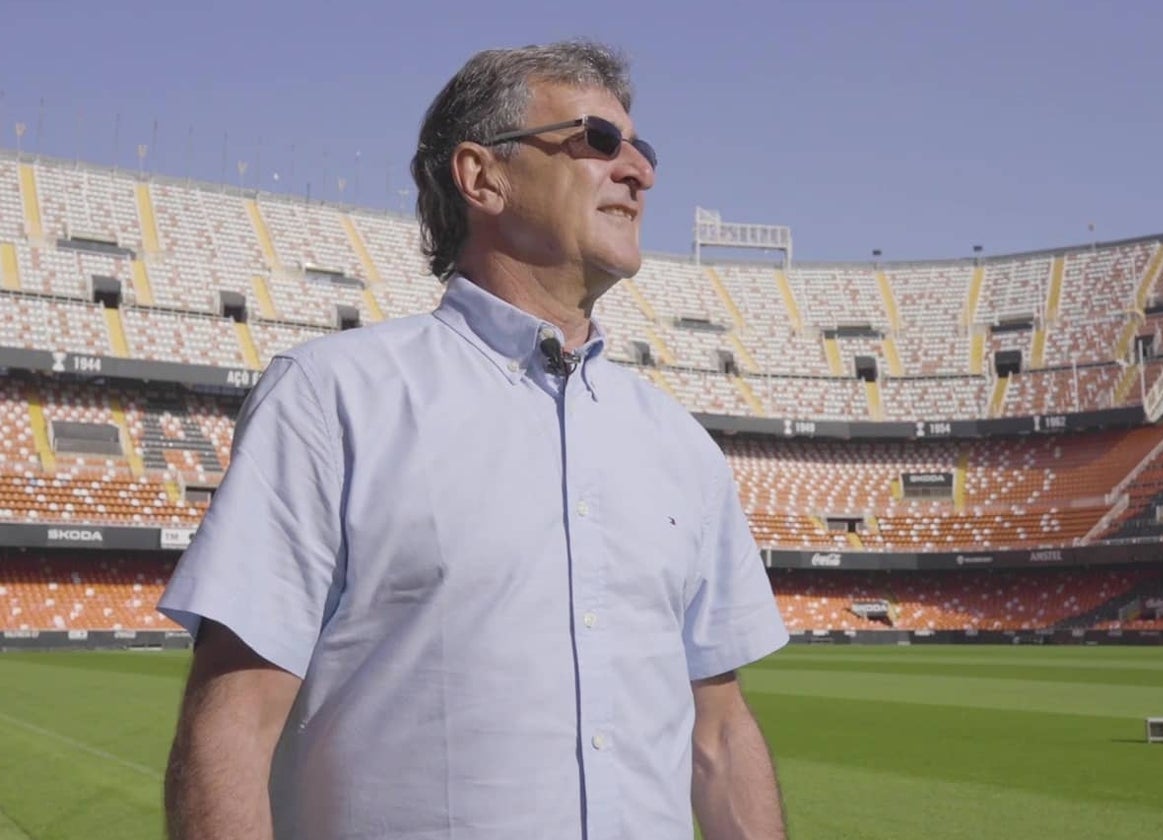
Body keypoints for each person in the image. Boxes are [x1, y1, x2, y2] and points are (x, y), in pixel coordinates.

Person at [159, 40, 789, 840]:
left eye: (643, 149)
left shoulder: (681, 447)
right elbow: (233, 722)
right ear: (481, 176)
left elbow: (721, 736)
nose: (639, 171)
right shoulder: (333, 398)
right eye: (598, 140)